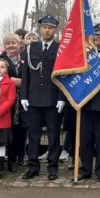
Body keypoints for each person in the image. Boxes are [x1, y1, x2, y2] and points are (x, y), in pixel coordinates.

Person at [20, 15, 65, 181]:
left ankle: (53, 167)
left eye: (50, 28)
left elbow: (63, 76)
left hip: (53, 99)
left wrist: (62, 97)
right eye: (45, 27)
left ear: (55, 30)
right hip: (33, 98)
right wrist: (23, 96)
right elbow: (26, 75)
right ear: (41, 29)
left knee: (54, 136)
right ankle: (33, 167)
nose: (47, 30)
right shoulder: (31, 48)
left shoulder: (60, 49)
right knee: (33, 135)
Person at [78, 24, 100, 183]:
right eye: (97, 35)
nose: (99, 37)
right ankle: (85, 170)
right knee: (85, 140)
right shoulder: (84, 55)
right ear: (91, 37)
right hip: (85, 104)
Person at [0, 33, 25, 172]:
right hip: (5, 100)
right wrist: (22, 82)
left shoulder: (26, 59)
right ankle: (7, 160)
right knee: (8, 130)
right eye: (8, 43)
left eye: (14, 42)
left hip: (23, 100)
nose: (11, 45)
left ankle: (19, 157)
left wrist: (18, 82)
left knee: (21, 129)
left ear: (20, 44)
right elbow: (0, 77)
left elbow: (32, 78)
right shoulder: (0, 60)